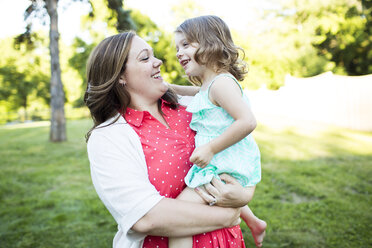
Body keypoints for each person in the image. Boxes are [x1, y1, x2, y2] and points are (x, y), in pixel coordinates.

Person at [85, 30, 258, 248]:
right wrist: (229, 215)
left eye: (154, 55)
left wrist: (244, 195)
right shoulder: (109, 137)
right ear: (120, 76)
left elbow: (242, 153)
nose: (158, 62)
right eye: (145, 58)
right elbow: (145, 217)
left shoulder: (193, 106)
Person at [168, 15, 267, 248]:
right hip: (226, 162)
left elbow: (247, 121)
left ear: (210, 44)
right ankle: (254, 222)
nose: (178, 52)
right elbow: (193, 93)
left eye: (185, 45)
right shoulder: (209, 85)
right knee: (223, 194)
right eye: (177, 47)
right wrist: (167, 87)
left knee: (177, 218)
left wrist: (210, 148)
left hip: (225, 161)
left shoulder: (221, 84)